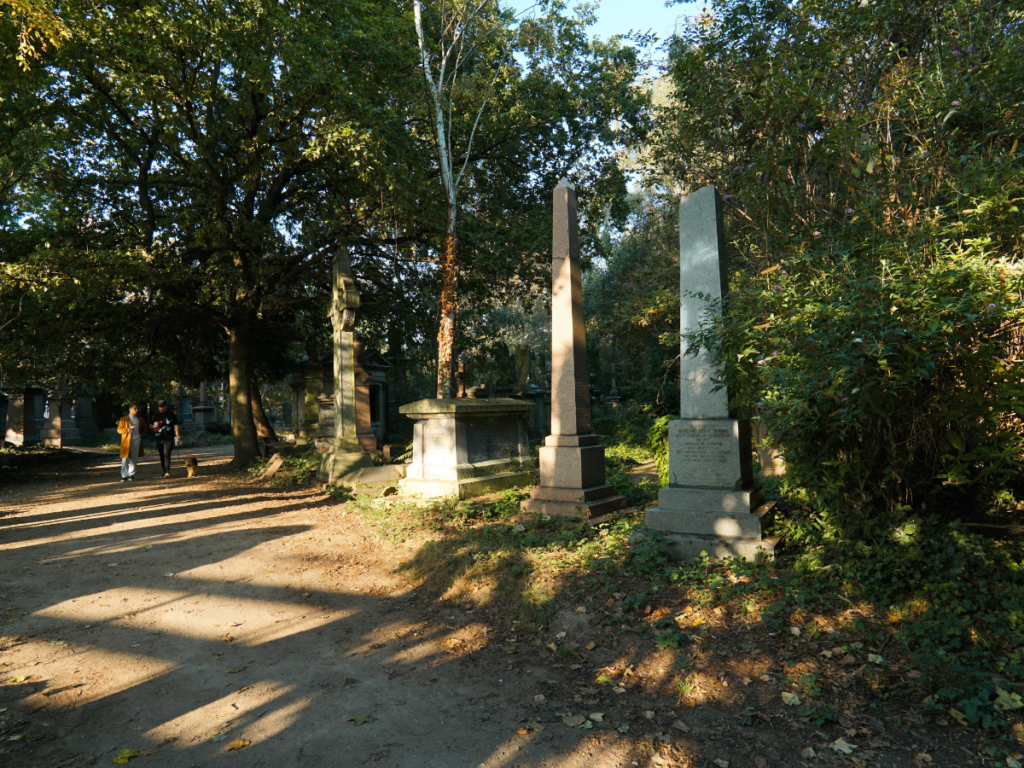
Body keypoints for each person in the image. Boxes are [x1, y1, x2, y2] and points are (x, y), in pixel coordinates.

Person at [150, 399, 182, 478]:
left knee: (166, 454)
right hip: (158, 438)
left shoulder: (171, 415)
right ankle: (164, 471)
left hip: (169, 437)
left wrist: (177, 435)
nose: (161, 408)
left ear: (166, 406)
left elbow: (176, 425)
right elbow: (150, 425)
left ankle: (167, 471)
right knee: (161, 455)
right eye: (160, 407)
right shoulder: (155, 416)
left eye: (163, 407)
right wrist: (153, 426)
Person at [116, 404, 148, 482]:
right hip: (126, 441)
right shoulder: (123, 419)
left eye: (137, 409)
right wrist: (127, 430)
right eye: (135, 409)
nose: (136, 410)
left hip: (136, 440)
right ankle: (124, 475)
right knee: (125, 458)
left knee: (134, 458)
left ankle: (131, 474)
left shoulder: (139, 419)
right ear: (130, 409)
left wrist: (141, 435)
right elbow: (119, 430)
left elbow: (145, 427)